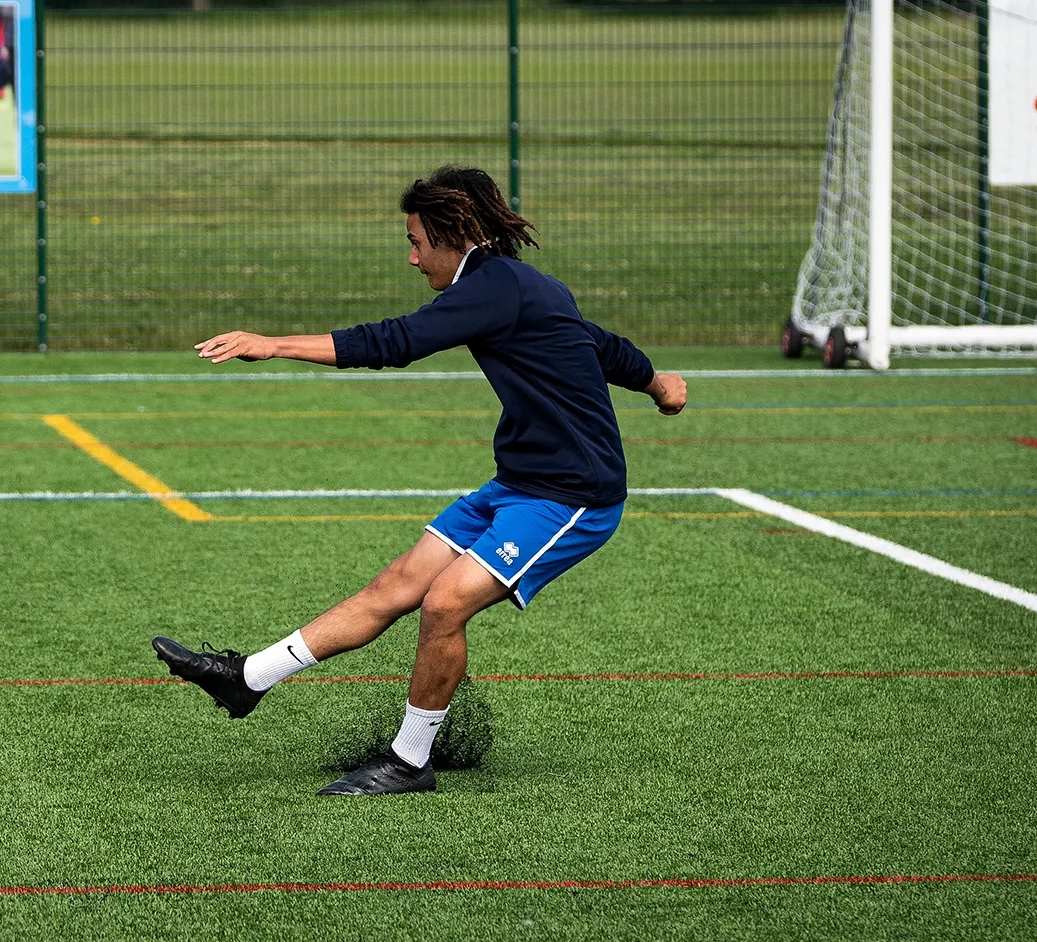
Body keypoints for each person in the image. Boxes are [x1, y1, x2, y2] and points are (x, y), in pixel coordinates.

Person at [152, 166, 688, 797]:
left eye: (416, 241)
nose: (412, 257)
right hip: (518, 483)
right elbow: (602, 345)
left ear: (453, 234)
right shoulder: (516, 288)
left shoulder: (496, 288)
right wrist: (657, 384)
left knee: (443, 603)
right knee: (399, 584)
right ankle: (248, 679)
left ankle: (409, 762)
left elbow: (396, 341)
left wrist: (273, 344)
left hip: (571, 496)